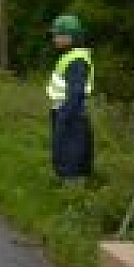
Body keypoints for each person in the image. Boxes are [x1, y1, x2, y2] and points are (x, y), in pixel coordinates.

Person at [47, 14, 93, 180]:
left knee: (70, 156)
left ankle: (73, 193)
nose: (54, 38)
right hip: (66, 112)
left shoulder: (77, 60)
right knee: (65, 153)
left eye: (57, 35)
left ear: (69, 37)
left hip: (70, 115)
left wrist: (64, 116)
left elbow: (76, 92)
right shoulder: (70, 56)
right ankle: (71, 190)